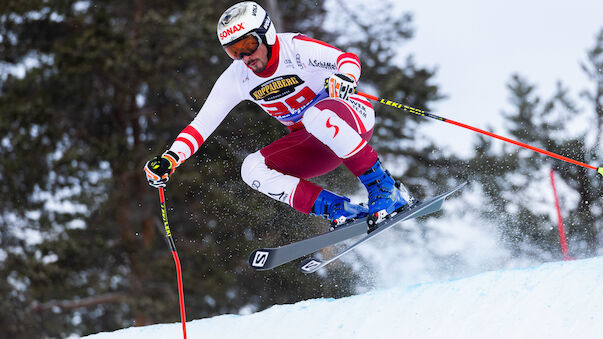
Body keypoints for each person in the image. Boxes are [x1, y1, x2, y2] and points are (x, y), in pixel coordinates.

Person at [144, 1, 414, 229]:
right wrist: (171, 158)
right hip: (314, 144)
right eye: (234, 51)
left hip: (351, 119)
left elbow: (347, 60)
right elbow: (202, 125)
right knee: (251, 168)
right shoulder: (237, 77)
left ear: (268, 34)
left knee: (314, 116)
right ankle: (340, 209)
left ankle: (384, 187)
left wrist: (345, 77)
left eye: (249, 45)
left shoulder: (295, 49)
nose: (245, 57)